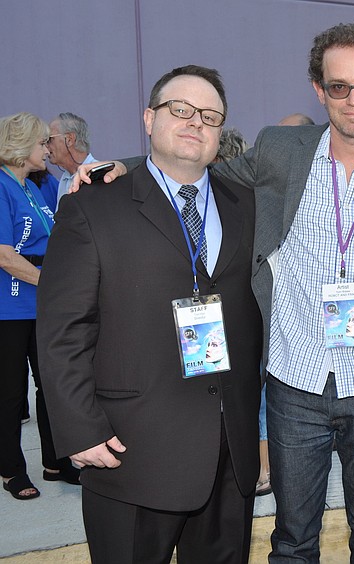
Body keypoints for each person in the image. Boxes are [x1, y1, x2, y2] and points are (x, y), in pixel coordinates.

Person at [74, 23, 354, 562]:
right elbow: (204, 170)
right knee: (292, 540)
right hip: (295, 385)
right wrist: (121, 167)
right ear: (319, 90)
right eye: (339, 86)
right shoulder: (282, 150)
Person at [37, 65, 262, 563]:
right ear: (148, 118)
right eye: (179, 110)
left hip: (229, 452)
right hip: (130, 453)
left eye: (209, 115)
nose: (194, 122)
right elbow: (62, 330)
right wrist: (78, 427)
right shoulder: (92, 207)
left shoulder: (246, 205)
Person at [0, 112, 79, 501]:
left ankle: (56, 461)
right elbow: (4, 255)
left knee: (51, 385)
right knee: (11, 393)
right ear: (18, 149)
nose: (46, 149)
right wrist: (53, 285)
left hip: (39, 302)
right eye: (40, 144)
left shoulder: (33, 186)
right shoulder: (1, 187)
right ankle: (12, 470)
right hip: (9, 306)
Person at [47, 112, 96, 206]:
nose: (46, 147)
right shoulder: (65, 179)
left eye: (49, 139)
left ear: (69, 139)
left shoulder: (98, 175)